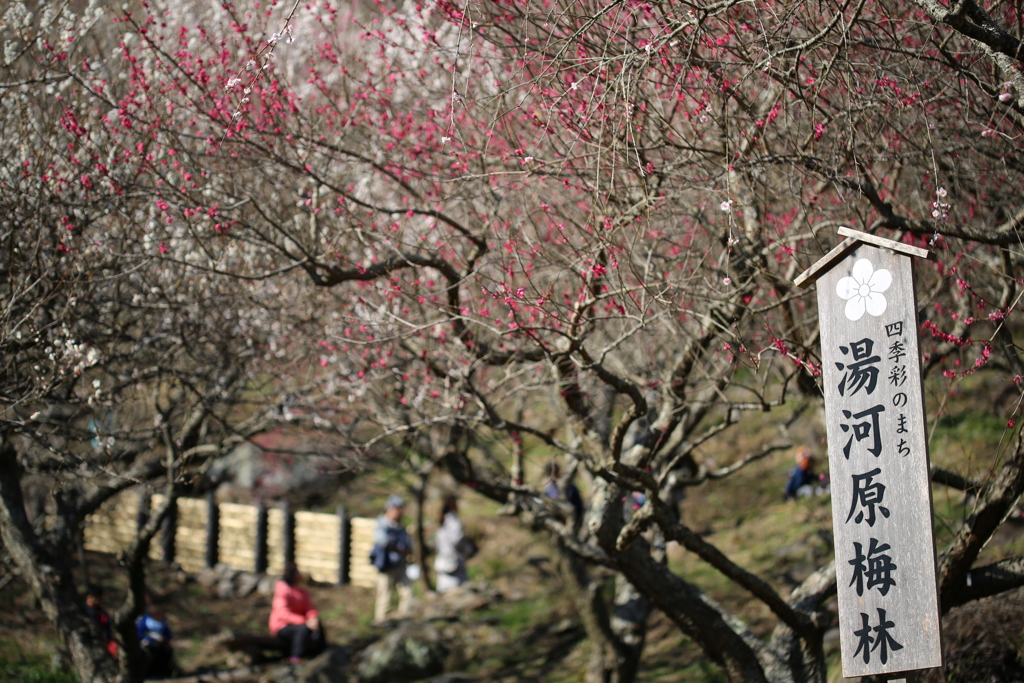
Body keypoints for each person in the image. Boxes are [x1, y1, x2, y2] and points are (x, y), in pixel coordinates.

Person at [269, 563, 325, 663]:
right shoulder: (282, 591)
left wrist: (313, 618)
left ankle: (321, 653)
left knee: (318, 625)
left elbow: (309, 608)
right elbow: (283, 614)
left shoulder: (302, 591)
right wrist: (304, 621)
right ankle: (295, 656)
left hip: (300, 623)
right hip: (282, 626)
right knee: (303, 629)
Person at [371, 494, 413, 622]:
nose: (399, 511)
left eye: (401, 508)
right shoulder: (382, 525)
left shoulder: (400, 527)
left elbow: (408, 545)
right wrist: (398, 547)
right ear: (389, 508)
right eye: (397, 508)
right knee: (385, 596)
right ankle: (381, 621)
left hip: (400, 565)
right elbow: (383, 541)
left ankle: (403, 619)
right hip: (386, 566)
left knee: (407, 593)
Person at [433, 496, 469, 593]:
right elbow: (458, 540)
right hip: (453, 562)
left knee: (444, 590)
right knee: (457, 591)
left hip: (443, 561)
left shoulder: (442, 521)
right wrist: (467, 550)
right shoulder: (453, 522)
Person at [136, 602, 176, 679]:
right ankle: (151, 674)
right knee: (150, 655)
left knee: (167, 652)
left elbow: (168, 635)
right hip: (148, 644)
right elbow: (139, 633)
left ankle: (163, 673)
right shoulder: (145, 620)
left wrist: (165, 640)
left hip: (160, 645)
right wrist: (144, 640)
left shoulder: (162, 621)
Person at [84, 584, 118, 657]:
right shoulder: (83, 612)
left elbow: (107, 629)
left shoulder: (102, 613)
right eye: (94, 597)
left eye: (98, 598)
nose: (96, 601)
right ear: (88, 597)